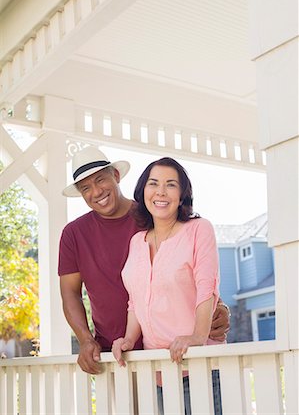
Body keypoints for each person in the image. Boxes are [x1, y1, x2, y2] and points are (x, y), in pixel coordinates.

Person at [58, 146, 229, 378]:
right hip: (117, 352)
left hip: (174, 350)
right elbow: (70, 293)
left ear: (116, 176)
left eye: (101, 180)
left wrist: (217, 309)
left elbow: (199, 269)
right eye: (86, 187)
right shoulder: (75, 234)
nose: (97, 191)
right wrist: (86, 340)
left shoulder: (155, 212)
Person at [112, 157, 225, 414]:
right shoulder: (137, 241)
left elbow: (207, 287)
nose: (161, 192)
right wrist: (129, 339)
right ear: (143, 192)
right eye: (154, 183)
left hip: (199, 368)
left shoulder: (199, 229)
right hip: (158, 372)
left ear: (182, 195)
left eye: (171, 185)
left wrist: (197, 336)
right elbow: (136, 300)